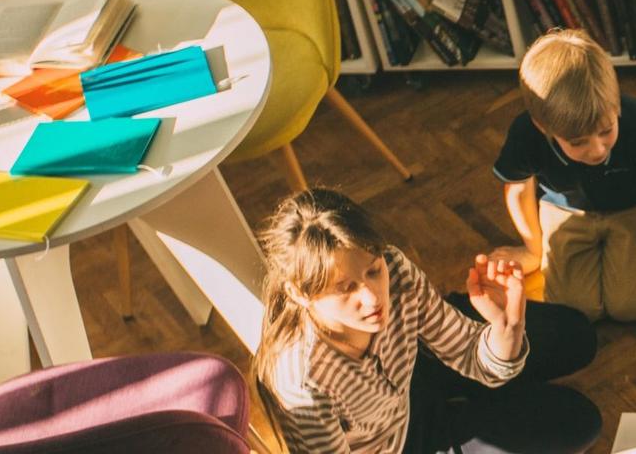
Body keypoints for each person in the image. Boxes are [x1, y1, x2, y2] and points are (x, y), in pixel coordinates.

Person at [252, 189, 601, 453]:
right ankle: (484, 406)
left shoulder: (395, 269)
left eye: (373, 271)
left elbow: (469, 353)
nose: (373, 298)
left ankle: (486, 398)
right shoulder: (303, 384)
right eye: (346, 288)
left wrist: (507, 327)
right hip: (401, 444)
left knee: (576, 335)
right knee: (580, 423)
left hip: (418, 368)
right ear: (300, 294)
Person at [493, 29, 636, 322]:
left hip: (633, 208)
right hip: (564, 211)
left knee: (634, 306)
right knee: (576, 312)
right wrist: (532, 250)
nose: (597, 150)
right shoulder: (526, 133)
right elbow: (517, 189)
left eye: (606, 131)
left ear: (616, 108)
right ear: (542, 126)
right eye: (577, 142)